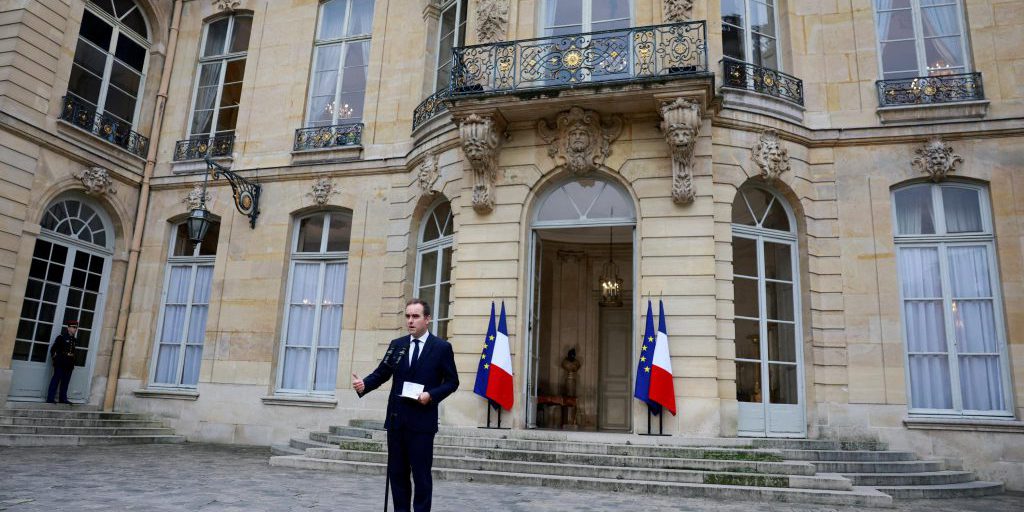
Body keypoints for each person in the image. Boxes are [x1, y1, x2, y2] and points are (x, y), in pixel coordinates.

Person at [352, 299, 459, 512]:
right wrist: (364, 384)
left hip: (422, 423)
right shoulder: (397, 345)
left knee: (421, 476)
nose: (410, 321)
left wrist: (431, 394)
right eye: (408, 316)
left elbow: (452, 382)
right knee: (397, 474)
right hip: (397, 420)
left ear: (427, 319)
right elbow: (382, 373)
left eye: (415, 316)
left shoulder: (441, 348)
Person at [47, 319, 78, 404]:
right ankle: (50, 398)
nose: (75, 329)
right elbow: (53, 350)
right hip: (61, 362)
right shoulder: (61, 337)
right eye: (73, 327)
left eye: (76, 328)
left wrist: (74, 362)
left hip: (69, 363)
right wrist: (55, 359)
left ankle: (63, 398)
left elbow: (74, 352)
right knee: (56, 380)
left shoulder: (74, 340)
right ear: (68, 328)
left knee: (66, 382)